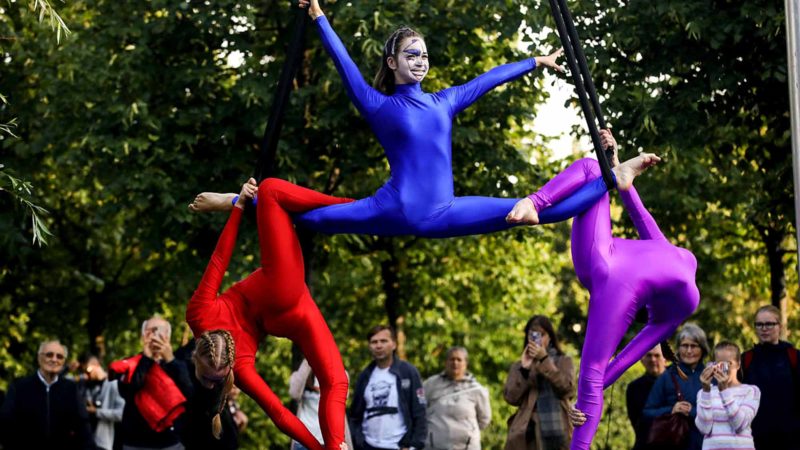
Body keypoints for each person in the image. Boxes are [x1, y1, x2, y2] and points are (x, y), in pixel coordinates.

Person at [293, 0, 623, 238]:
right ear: (392, 63)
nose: (420, 61)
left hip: (445, 211)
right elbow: (344, 63)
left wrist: (535, 61)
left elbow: (487, 80)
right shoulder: (378, 105)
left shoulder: (443, 102)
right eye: (411, 54)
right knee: (314, 220)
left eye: (423, 55)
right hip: (392, 206)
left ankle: (612, 178)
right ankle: (249, 202)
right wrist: (319, 15)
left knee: (535, 212)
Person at [186, 178, 352, 450]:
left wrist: (319, 448)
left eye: (209, 379)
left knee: (336, 381)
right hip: (278, 292)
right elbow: (219, 259)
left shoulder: (236, 366)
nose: (212, 384)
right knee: (271, 191)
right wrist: (238, 206)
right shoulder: (197, 316)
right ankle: (358, 206)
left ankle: (335, 447)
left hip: (286, 316)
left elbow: (279, 413)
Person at [112, 316, 194, 450]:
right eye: (151, 331)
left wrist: (170, 360)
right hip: (135, 442)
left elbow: (189, 394)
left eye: (160, 331)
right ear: (143, 336)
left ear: (168, 337)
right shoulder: (130, 363)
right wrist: (146, 358)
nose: (155, 335)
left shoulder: (178, 364)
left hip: (171, 442)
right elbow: (127, 391)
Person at [0, 340, 93, 450]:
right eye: (49, 355)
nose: (54, 359)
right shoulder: (19, 387)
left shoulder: (71, 389)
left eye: (59, 357)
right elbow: (5, 425)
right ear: (39, 358)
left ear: (63, 362)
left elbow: (83, 427)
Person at [349, 325, 426, 450]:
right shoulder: (365, 376)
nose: (378, 346)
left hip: (399, 445)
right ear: (369, 346)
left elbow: (420, 412)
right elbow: (354, 415)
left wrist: (414, 446)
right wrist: (358, 441)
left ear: (394, 344)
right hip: (368, 445)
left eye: (384, 341)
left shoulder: (408, 372)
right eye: (374, 342)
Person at [504, 315, 575, 450]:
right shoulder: (519, 365)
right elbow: (511, 398)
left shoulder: (563, 361)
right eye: (532, 335)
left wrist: (544, 360)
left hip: (559, 430)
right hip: (528, 433)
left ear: (550, 337)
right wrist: (524, 369)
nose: (537, 339)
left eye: (541, 335)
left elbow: (568, 390)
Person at [741, 305, 800, 450]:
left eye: (769, 324)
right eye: (759, 324)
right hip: (755, 439)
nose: (764, 328)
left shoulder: (794, 356)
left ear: (780, 326)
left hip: (791, 439)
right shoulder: (746, 359)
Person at [642, 324, 709, 450]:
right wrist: (671, 410)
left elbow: (722, 413)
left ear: (703, 349)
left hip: (705, 444)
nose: (689, 351)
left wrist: (692, 411)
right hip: (673, 443)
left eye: (694, 346)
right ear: (678, 348)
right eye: (684, 345)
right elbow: (647, 413)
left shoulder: (711, 376)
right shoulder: (667, 377)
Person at [176, 334, 240, 450]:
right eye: (205, 378)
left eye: (217, 380)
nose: (210, 385)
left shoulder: (224, 360)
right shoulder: (180, 366)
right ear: (194, 359)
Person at [695, 341, 760, 449]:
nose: (723, 368)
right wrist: (706, 390)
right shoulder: (703, 392)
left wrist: (724, 391)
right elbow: (704, 429)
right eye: (719, 363)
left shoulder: (751, 391)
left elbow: (739, 425)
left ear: (738, 364)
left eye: (728, 363)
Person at [424, 346, 491, 450]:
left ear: (466, 363)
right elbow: (420, 411)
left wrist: (467, 433)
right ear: (446, 362)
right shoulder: (431, 384)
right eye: (452, 359)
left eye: (459, 360)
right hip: (434, 446)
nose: (455, 363)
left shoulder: (476, 390)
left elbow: (484, 419)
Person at [289, 358, 354, 450]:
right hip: (303, 441)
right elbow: (294, 393)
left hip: (329, 440)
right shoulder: (304, 374)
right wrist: (307, 361)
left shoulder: (340, 373)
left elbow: (341, 402)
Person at [625, 345, 666, 450]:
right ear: (642, 360)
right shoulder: (634, 388)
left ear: (665, 359)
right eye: (649, 356)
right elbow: (636, 422)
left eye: (657, 356)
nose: (653, 359)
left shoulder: (677, 384)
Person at [82, 354, 125, 450]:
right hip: (91, 440)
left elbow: (122, 414)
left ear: (96, 365)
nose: (86, 375)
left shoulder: (113, 384)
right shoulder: (88, 386)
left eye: (88, 370)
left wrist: (96, 412)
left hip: (106, 442)